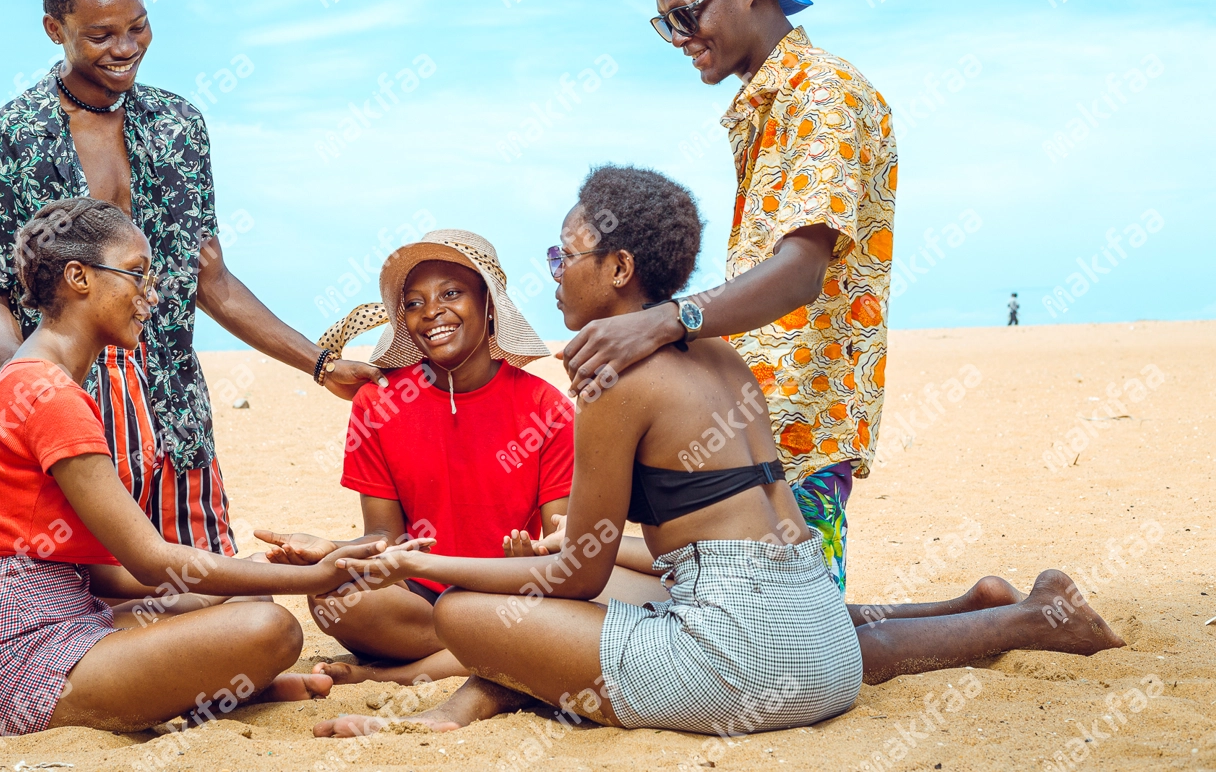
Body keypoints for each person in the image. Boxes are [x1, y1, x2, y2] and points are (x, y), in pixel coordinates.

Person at [314, 166, 1125, 739]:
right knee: (599, 601)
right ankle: (1006, 612)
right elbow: (676, 518)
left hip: (738, 660)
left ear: (619, 268)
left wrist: (429, 567)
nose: (555, 274)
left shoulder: (612, 379)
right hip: (825, 648)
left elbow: (575, 578)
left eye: (567, 255)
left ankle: (475, 698)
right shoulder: (721, 357)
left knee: (469, 614)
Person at [0, 0, 383, 558]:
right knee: (90, 607)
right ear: (55, 29)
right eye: (101, 35)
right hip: (67, 427)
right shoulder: (6, 138)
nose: (125, 48)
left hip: (174, 411)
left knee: (212, 593)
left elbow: (211, 281)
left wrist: (320, 365)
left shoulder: (179, 126)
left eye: (138, 26)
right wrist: (34, 386)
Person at [0, 197, 408, 736]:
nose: (151, 295)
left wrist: (252, 574)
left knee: (241, 590)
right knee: (270, 627)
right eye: (137, 275)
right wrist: (314, 574)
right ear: (78, 278)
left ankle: (206, 692)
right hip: (9, 662)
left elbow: (91, 571)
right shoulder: (50, 396)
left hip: (58, 616)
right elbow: (148, 559)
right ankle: (203, 694)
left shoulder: (31, 378)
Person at [559, 0, 898, 592]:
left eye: (687, 15)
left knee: (801, 633)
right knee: (763, 611)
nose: (681, 37)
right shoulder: (771, 102)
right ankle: (990, 607)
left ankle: (1013, 616)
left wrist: (662, 321)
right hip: (757, 420)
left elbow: (800, 273)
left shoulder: (822, 97)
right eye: (667, 24)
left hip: (801, 421)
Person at [256, 230, 581, 685]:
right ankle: (481, 651)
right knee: (332, 597)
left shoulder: (547, 408)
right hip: (414, 593)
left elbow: (558, 547)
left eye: (451, 293)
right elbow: (384, 536)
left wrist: (525, 561)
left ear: (490, 304)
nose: (431, 312)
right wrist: (331, 551)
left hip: (503, 592)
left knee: (546, 614)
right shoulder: (378, 403)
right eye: (413, 302)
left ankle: (399, 674)